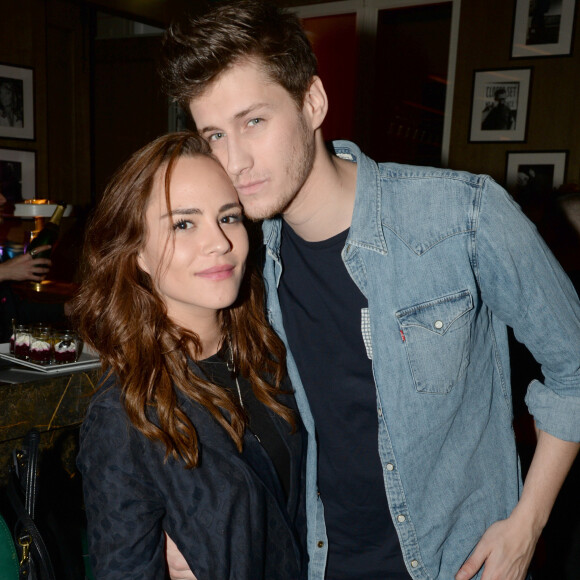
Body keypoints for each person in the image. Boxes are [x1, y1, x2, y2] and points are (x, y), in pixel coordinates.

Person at [159, 2, 580, 579]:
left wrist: (527, 525)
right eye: (214, 134)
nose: (233, 161)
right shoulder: (242, 259)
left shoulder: (464, 215)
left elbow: (575, 366)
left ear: (312, 103)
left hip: (459, 565)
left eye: (253, 121)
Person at [73, 132, 306, 579]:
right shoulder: (126, 415)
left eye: (229, 217)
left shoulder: (270, 356)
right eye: (184, 223)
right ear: (137, 250)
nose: (219, 242)